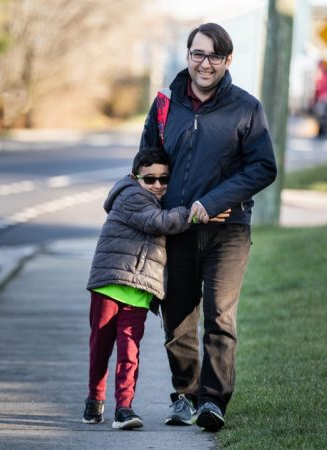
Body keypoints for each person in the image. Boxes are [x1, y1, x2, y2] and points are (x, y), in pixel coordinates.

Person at [139, 23, 278, 431]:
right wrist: (152, 206)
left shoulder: (245, 107)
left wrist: (212, 202)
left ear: (227, 61)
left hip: (229, 229)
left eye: (214, 56)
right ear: (187, 55)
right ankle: (186, 394)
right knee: (177, 315)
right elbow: (147, 160)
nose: (205, 63)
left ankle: (213, 402)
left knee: (220, 314)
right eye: (198, 54)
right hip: (177, 227)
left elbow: (263, 167)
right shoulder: (165, 104)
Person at [82, 147, 228, 430]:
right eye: (150, 179)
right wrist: (197, 213)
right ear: (135, 177)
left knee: (129, 352)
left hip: (138, 291)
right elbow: (157, 223)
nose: (158, 186)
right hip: (109, 286)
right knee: (100, 348)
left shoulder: (157, 199)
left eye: (164, 179)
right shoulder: (130, 196)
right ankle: (94, 400)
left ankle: (124, 408)